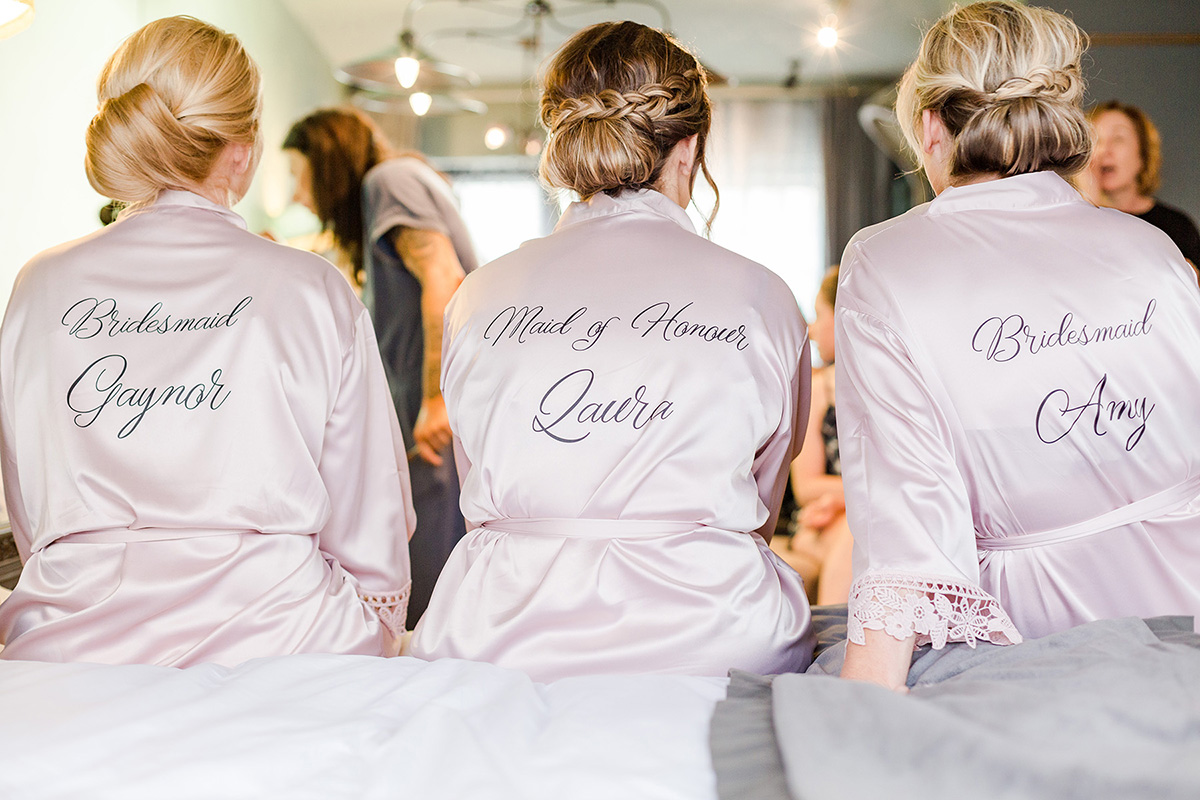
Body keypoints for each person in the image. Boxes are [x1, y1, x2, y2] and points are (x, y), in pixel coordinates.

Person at [0, 17, 414, 667]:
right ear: (243, 148)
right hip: (287, 642)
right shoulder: (312, 288)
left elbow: (31, 507)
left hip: (71, 647)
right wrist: (378, 633)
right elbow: (369, 514)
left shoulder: (38, 287)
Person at [408, 21, 815, 682]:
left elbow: (479, 489)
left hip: (498, 638)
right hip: (715, 634)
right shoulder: (765, 298)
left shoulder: (476, 298)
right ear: (690, 147)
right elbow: (762, 509)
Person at [835, 0, 1200, 691]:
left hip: (1032, 646)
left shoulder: (884, 263)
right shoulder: (1153, 252)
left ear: (930, 126)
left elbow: (906, 530)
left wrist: (864, 706)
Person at [283, 109, 476, 627]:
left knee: (431, 586)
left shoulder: (386, 181)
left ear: (327, 163)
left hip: (432, 413)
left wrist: (435, 400)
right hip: (422, 408)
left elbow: (445, 278)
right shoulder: (387, 192)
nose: (298, 195)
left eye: (299, 175)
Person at [777, 266, 854, 605]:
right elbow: (807, 487)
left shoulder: (891, 386)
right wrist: (853, 496)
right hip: (823, 517)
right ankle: (840, 646)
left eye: (821, 314)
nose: (811, 328)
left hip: (863, 508)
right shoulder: (819, 388)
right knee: (856, 529)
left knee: (863, 523)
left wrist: (845, 497)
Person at [1086, 101, 1200, 267]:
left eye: (1118, 139)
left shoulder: (1178, 227)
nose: (1105, 150)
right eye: (1096, 140)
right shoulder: (1075, 222)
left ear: (1142, 155)